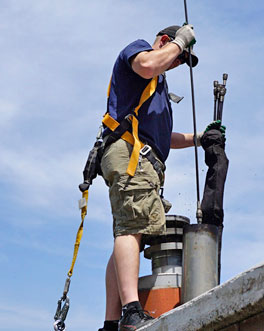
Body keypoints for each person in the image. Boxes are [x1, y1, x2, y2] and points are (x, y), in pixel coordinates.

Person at [98, 24, 199, 331]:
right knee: (131, 228)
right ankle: (130, 311)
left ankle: (112, 321)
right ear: (164, 42)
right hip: (130, 156)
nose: (177, 62)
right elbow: (147, 63)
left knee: (131, 230)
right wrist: (180, 42)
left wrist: (200, 138)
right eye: (178, 55)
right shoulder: (140, 52)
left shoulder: (158, 90)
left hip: (143, 159)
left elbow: (163, 137)